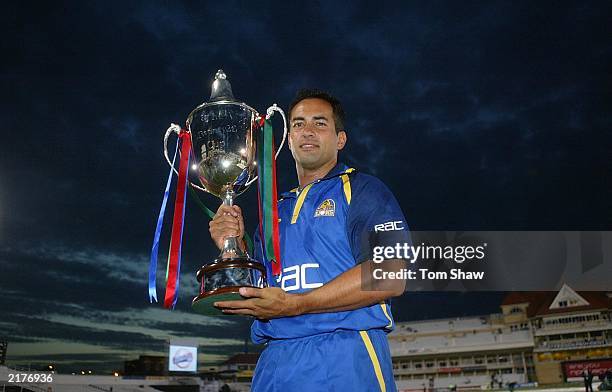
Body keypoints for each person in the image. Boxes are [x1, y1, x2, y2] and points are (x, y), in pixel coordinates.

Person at [210, 89, 409, 391]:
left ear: (340, 139)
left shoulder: (364, 190)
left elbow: (392, 274)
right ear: (288, 140)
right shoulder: (273, 210)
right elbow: (258, 290)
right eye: (299, 124)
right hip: (275, 361)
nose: (308, 132)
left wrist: (297, 305)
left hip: (344, 354)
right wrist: (233, 248)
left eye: (320, 123)